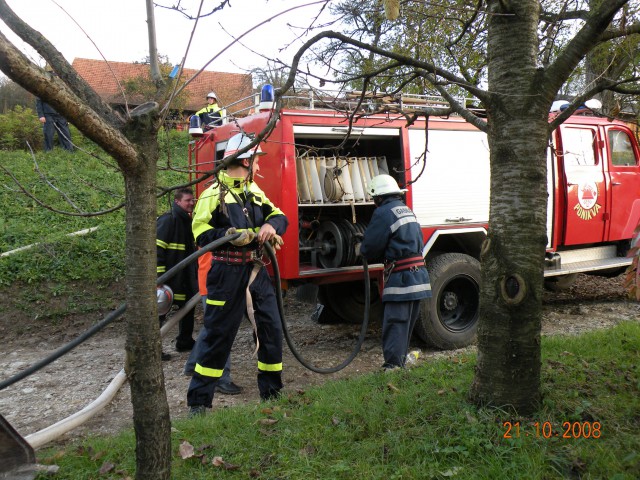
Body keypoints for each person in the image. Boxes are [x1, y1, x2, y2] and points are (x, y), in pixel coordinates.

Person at [187, 132, 288, 415]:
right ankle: (198, 403)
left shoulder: (253, 192)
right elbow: (200, 233)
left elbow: (279, 215)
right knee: (217, 336)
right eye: (255, 161)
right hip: (226, 274)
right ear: (244, 160)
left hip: (256, 271)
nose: (258, 167)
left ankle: (272, 393)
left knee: (271, 329)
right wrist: (228, 234)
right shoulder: (212, 194)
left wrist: (272, 227)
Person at [358, 174, 431, 370]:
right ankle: (400, 363)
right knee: (405, 323)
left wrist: (361, 248)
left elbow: (370, 248)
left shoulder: (383, 212)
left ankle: (392, 367)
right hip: (419, 275)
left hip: (402, 278)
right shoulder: (405, 209)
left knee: (395, 323)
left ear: (379, 197)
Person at [181, 248, 243, 395]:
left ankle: (192, 364)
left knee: (213, 326)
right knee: (222, 329)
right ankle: (222, 379)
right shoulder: (215, 229)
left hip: (211, 280)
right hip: (217, 282)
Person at [156, 188, 198, 357]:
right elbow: (157, 249)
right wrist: (159, 278)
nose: (191, 203)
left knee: (187, 308)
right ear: (177, 201)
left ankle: (185, 341)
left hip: (185, 276)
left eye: (192, 200)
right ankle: (154, 350)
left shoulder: (187, 221)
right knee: (160, 312)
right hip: (170, 277)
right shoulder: (169, 220)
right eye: (187, 200)